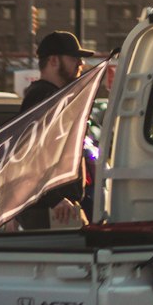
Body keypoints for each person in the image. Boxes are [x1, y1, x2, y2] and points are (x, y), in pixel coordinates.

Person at [17, 30, 90, 229]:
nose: (81, 64)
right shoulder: (42, 98)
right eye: (74, 58)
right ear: (54, 61)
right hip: (52, 211)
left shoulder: (53, 97)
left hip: (61, 208)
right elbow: (32, 155)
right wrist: (55, 199)